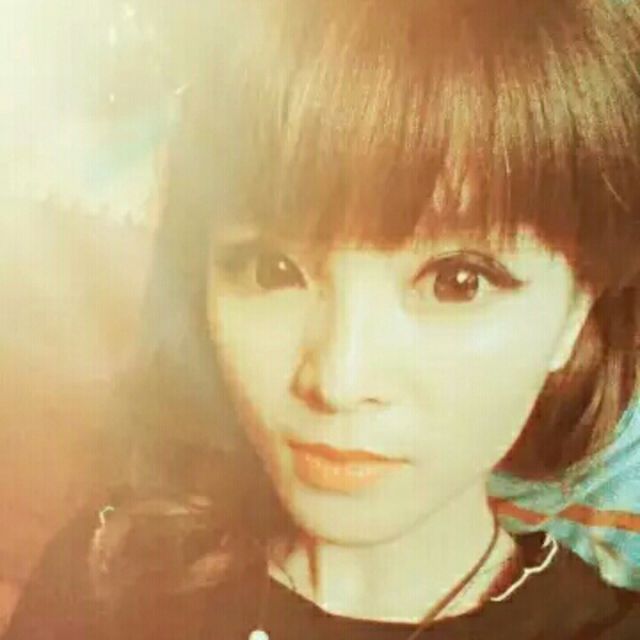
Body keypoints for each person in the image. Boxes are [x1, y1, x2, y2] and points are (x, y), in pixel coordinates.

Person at [5, 1, 640, 638]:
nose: (339, 379)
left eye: (457, 282)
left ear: (576, 310)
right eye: (271, 270)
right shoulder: (109, 572)